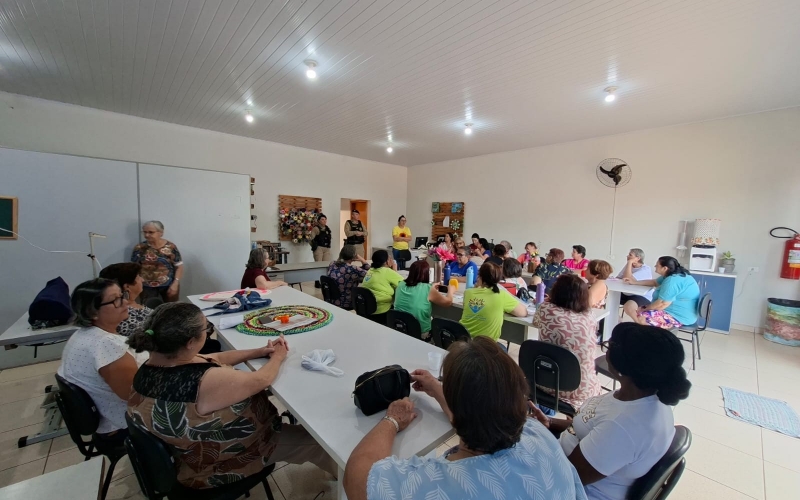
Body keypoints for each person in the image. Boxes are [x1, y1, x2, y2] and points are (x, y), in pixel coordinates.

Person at [343, 337, 587, 500]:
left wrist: (392, 420)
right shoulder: (540, 434)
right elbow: (481, 418)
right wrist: (438, 389)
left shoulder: (435, 486)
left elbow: (356, 478)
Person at [126, 303, 337, 489]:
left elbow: (213, 357)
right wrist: (279, 356)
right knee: (321, 445)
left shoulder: (151, 366)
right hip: (220, 464)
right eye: (206, 329)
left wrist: (259, 351)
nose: (208, 332)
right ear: (190, 342)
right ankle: (349, 483)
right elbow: (261, 380)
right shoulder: (203, 381)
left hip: (185, 455)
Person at [530, 323, 691, 500]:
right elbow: (591, 426)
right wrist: (550, 423)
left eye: (608, 346)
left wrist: (535, 447)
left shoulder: (622, 428)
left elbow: (568, 477)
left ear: (623, 369)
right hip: (565, 463)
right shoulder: (640, 396)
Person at [57, 279, 149, 445]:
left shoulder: (84, 334)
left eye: (122, 296)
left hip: (109, 420)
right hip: (124, 425)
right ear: (92, 312)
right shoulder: (106, 344)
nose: (126, 302)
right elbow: (136, 395)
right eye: (116, 300)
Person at [533, 274, 601, 413]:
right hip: (584, 387)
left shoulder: (546, 309)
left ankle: (545, 410)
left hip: (548, 382)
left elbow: (535, 322)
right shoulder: (590, 315)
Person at [623, 256, 700, 328]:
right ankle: (644, 329)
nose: (655, 266)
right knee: (636, 311)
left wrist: (644, 309)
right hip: (682, 312)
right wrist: (635, 282)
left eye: (657, 265)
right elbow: (655, 283)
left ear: (665, 268)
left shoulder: (672, 281)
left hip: (679, 316)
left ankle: (649, 333)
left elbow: (662, 304)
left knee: (641, 317)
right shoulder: (676, 275)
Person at [460, 262, 527, 341]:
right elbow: (523, 312)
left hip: (463, 343)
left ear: (479, 276)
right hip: (485, 346)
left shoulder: (468, 292)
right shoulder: (501, 295)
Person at [393, 260, 454, 339]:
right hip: (420, 332)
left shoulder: (401, 284)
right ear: (426, 273)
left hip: (400, 328)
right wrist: (451, 291)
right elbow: (448, 302)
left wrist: (431, 287)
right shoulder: (427, 289)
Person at [131, 220, 183, 302]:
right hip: (147, 286)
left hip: (168, 285)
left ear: (161, 233)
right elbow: (133, 267)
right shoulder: (140, 247)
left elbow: (179, 266)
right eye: (145, 232)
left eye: (151, 232)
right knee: (150, 311)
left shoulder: (170, 247)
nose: (147, 235)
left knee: (171, 310)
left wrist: (175, 283)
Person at [99, 263, 152, 336]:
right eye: (138, 277)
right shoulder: (123, 314)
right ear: (127, 286)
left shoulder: (136, 305)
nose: (142, 280)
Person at [359, 249, 402, 324]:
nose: (391, 260)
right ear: (386, 262)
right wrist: (394, 270)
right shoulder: (387, 272)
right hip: (381, 310)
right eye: (390, 258)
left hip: (367, 308)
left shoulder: (370, 270)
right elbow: (403, 284)